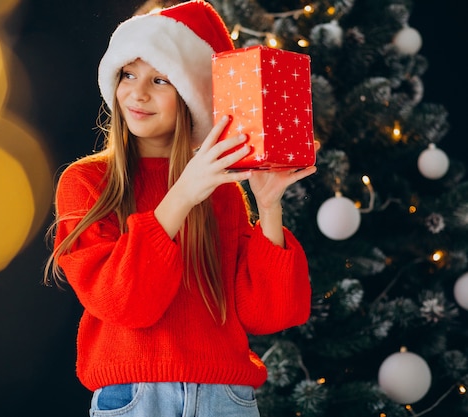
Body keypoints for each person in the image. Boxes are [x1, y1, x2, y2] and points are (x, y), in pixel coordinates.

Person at [45, 1, 318, 415]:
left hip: (225, 398)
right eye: (128, 74)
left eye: (160, 80)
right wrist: (183, 194)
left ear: (190, 95)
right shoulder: (87, 184)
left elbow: (268, 314)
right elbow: (125, 303)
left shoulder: (221, 190)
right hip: (136, 398)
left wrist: (269, 205)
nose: (137, 93)